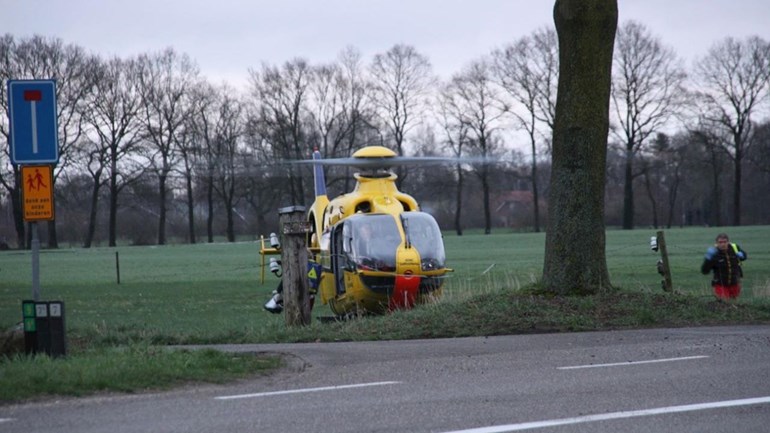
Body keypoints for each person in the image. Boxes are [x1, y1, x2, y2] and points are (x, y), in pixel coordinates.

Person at [701, 233, 747, 300]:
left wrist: (743, 255)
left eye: (725, 242)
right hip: (720, 285)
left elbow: (743, 257)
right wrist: (708, 259)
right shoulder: (714, 253)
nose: (722, 244)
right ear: (716, 243)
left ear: (728, 242)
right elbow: (704, 271)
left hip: (735, 283)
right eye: (720, 242)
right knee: (724, 304)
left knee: (735, 304)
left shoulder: (735, 247)